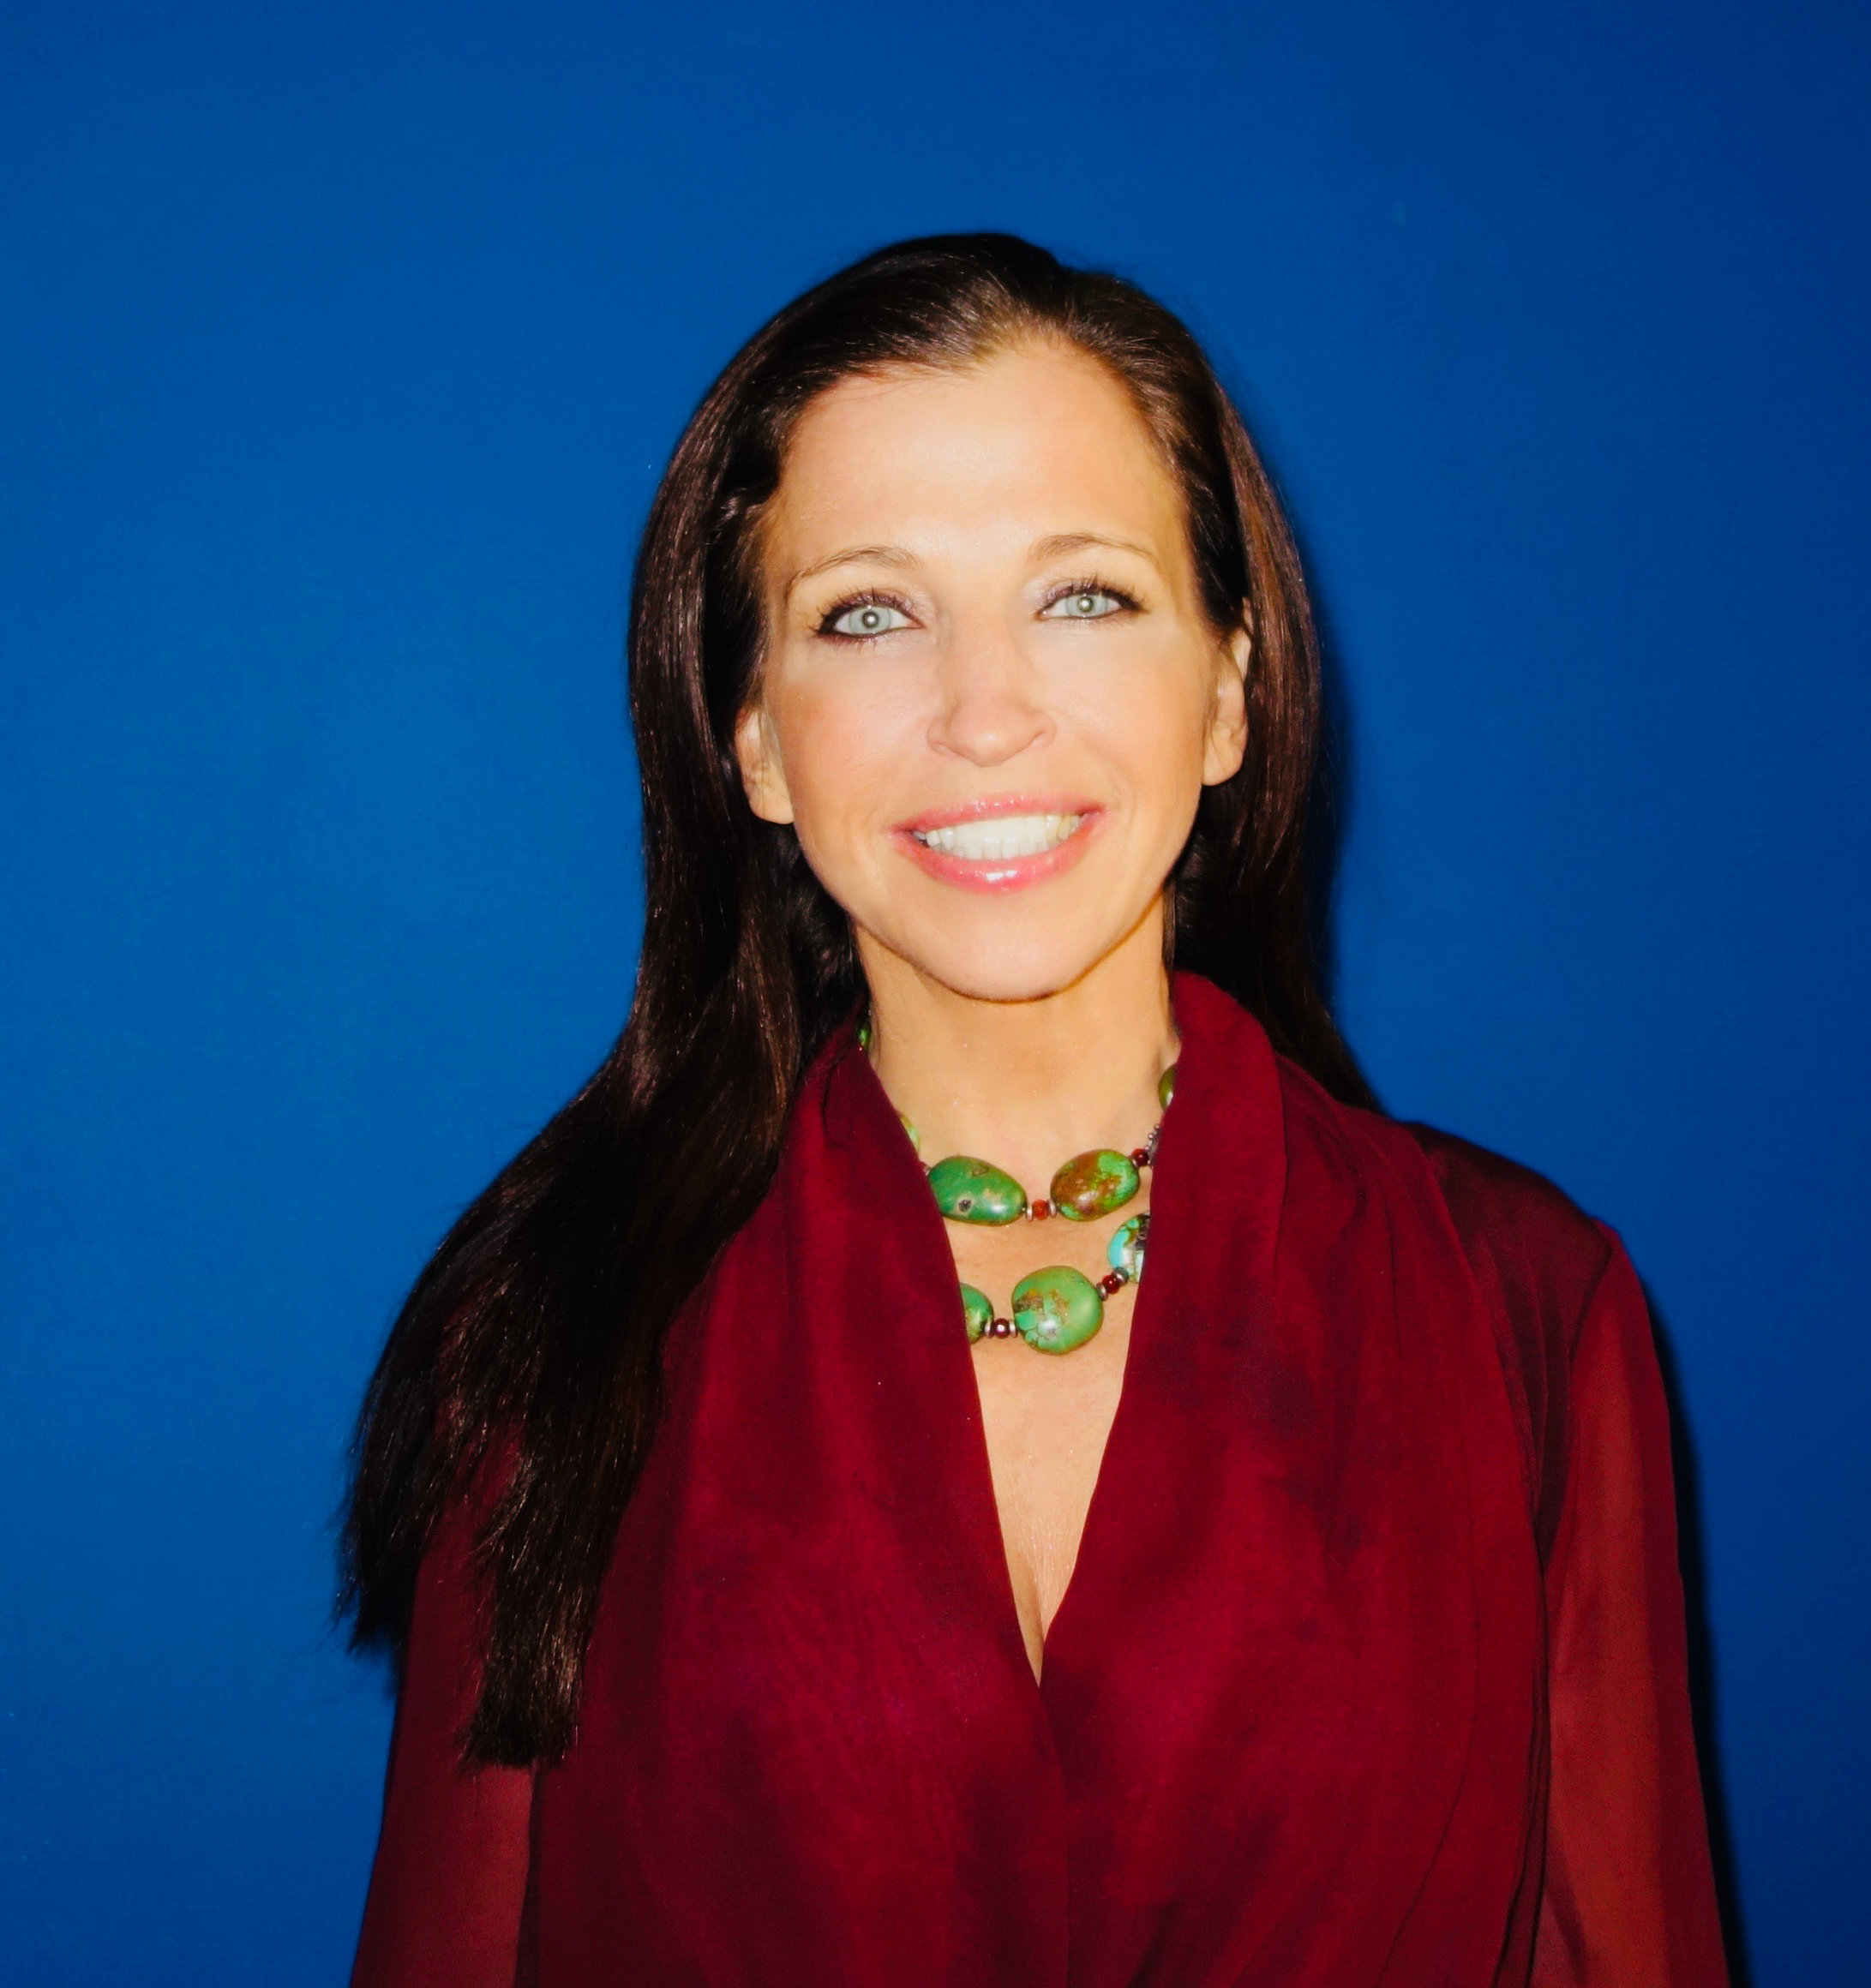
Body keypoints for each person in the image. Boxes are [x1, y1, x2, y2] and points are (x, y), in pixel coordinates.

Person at [342, 234, 1729, 1986]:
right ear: (753, 738)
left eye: (1082, 596)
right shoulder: (552, 1323)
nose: (985, 715)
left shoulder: (1525, 1308)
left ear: (1226, 690)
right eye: (868, 613)